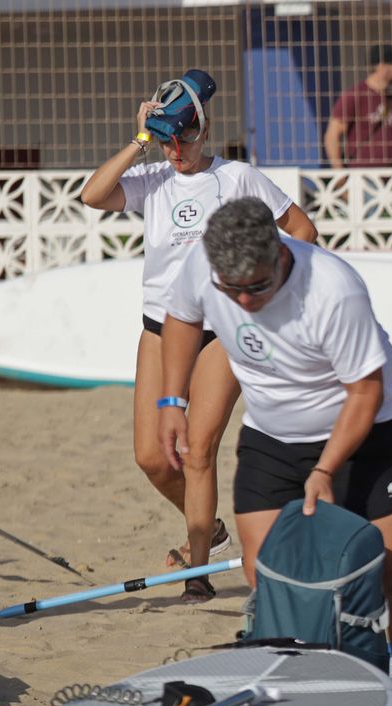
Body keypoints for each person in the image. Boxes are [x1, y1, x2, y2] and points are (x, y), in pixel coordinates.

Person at [157, 198, 392, 706]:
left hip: (369, 428)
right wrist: (172, 398)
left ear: (281, 254)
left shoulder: (332, 288)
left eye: (258, 287)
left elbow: (365, 392)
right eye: (232, 290)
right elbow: (181, 319)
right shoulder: (205, 268)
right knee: (266, 573)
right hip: (272, 434)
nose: (245, 301)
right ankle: (294, 701)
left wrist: (325, 469)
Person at [80, 78, 318, 603]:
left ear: (203, 130)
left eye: (182, 140)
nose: (176, 151)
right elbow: (92, 194)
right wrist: (142, 140)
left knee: (197, 450)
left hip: (220, 327)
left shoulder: (237, 177)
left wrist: (263, 290)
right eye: (167, 141)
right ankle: (204, 526)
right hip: (162, 329)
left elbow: (303, 230)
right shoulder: (154, 177)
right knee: (151, 457)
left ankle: (198, 576)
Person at [325, 44, 392, 168]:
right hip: (362, 177)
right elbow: (332, 135)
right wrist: (339, 172)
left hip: (390, 179)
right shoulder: (356, 95)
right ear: (382, 66)